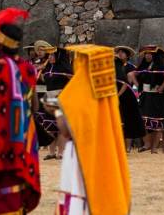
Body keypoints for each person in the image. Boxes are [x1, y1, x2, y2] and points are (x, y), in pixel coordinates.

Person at [0, 8, 41, 215]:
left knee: (1, 192)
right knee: (18, 187)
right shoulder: (29, 69)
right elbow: (35, 106)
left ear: (0, 44)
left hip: (0, 139)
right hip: (24, 138)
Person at [56, 44, 132, 215]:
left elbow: (66, 129)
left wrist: (55, 111)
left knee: (79, 194)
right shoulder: (107, 90)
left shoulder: (78, 88)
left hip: (80, 153)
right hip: (105, 150)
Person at [133, 45, 164, 153]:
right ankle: (147, 143)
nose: (147, 56)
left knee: (157, 123)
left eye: (150, 54)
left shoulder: (160, 65)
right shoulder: (143, 65)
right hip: (145, 96)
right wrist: (138, 86)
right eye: (146, 54)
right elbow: (130, 74)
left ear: (154, 55)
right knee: (142, 121)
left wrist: (161, 87)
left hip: (156, 97)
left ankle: (154, 148)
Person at [43, 47, 74, 159]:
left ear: (59, 56)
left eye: (52, 55)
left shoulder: (65, 69)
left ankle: (60, 152)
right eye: (49, 55)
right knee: (50, 126)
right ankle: (51, 152)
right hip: (49, 98)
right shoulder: (47, 68)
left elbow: (73, 82)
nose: (50, 57)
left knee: (60, 126)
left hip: (61, 98)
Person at [114, 49, 145, 151]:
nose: (120, 54)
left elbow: (128, 82)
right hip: (115, 94)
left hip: (127, 95)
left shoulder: (131, 67)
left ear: (127, 56)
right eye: (119, 52)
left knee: (128, 120)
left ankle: (128, 147)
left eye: (122, 52)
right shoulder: (113, 65)